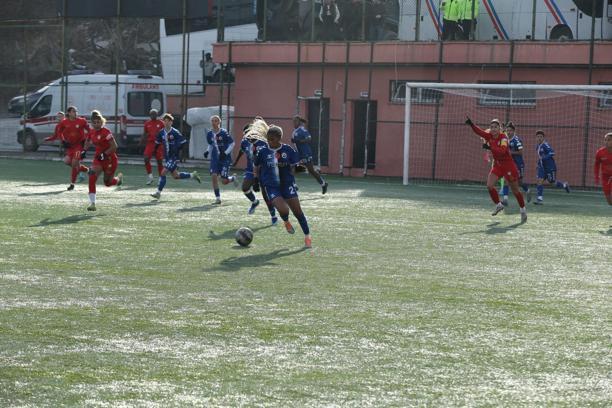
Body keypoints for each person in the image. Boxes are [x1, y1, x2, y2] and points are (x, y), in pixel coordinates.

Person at [252, 120, 313, 248]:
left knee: (298, 212)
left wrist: (298, 169)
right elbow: (256, 166)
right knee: (283, 209)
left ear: (279, 138)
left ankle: (307, 236)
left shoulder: (288, 150)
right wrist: (256, 180)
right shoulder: (262, 151)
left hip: (287, 184)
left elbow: (294, 167)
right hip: (271, 186)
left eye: (272, 139)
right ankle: (286, 221)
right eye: (268, 139)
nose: (269, 141)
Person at [465, 116, 527, 223]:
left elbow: (502, 151)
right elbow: (479, 132)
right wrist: (471, 124)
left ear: (500, 128)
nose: (493, 129)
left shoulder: (503, 138)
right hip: (498, 165)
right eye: (492, 127)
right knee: (489, 186)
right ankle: (499, 205)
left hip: (508, 166)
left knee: (515, 191)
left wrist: (490, 148)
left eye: (495, 127)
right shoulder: (489, 136)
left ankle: (523, 210)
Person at [150, 113, 201, 199]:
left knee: (163, 172)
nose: (166, 123)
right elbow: (157, 143)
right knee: (176, 176)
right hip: (167, 157)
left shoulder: (175, 132)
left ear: (171, 122)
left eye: (168, 121)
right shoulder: (161, 132)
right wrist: (154, 151)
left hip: (174, 157)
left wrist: (179, 152)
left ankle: (158, 192)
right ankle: (193, 175)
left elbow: (183, 142)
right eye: (164, 121)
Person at [84, 111, 123, 211]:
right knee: (92, 176)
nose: (96, 124)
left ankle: (118, 180)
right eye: (94, 122)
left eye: (98, 122)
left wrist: (104, 154)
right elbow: (87, 141)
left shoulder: (106, 132)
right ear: (92, 123)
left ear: (102, 122)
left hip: (110, 159)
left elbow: (114, 146)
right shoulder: (91, 132)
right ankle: (92, 203)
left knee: (108, 183)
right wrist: (84, 151)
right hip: (98, 159)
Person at [50, 106, 90, 190]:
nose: (76, 113)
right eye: (73, 111)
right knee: (67, 161)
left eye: (76, 111)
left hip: (79, 146)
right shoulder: (64, 122)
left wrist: (86, 141)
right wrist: (63, 141)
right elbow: (59, 132)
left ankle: (72, 184)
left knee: (74, 162)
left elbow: (89, 131)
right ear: (69, 113)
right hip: (70, 146)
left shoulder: (82, 121)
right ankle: (88, 170)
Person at [205, 115, 238, 204]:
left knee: (224, 181)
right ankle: (218, 198)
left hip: (225, 160)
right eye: (212, 121)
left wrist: (225, 153)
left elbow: (232, 143)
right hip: (215, 159)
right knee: (214, 176)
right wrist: (207, 151)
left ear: (219, 122)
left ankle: (232, 178)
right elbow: (211, 144)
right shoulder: (209, 134)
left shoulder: (224, 133)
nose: (214, 122)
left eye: (216, 121)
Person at [291, 115, 328, 194]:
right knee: (291, 167)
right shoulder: (295, 130)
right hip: (298, 153)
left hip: (305, 153)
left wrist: (299, 141)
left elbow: (309, 138)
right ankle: (293, 185)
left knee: (311, 170)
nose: (293, 123)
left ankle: (323, 184)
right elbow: (295, 141)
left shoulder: (302, 129)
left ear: (299, 121)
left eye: (295, 121)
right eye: (293, 121)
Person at [534, 130, 570, 205]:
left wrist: (545, 158)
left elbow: (552, 153)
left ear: (543, 138)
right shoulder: (537, 146)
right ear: (536, 138)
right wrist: (538, 164)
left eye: (541, 137)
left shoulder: (545, 145)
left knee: (552, 183)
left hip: (550, 167)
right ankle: (539, 199)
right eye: (538, 137)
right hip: (542, 167)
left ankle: (564, 185)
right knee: (539, 181)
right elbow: (540, 157)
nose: (539, 138)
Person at [500, 121, 531, 206]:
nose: (509, 132)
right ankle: (505, 200)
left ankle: (527, 190)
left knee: (519, 183)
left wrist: (510, 152)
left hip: (518, 164)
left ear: (514, 131)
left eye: (510, 131)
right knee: (507, 181)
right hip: (510, 165)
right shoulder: (505, 139)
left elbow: (521, 152)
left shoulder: (517, 140)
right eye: (507, 131)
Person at [140, 109, 165, 185]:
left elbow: (165, 133)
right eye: (151, 114)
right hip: (150, 144)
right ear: (150, 115)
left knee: (159, 162)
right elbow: (145, 133)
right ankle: (150, 176)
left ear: (157, 115)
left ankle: (161, 178)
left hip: (159, 144)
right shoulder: (147, 123)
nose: (153, 116)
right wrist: (141, 141)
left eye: (154, 114)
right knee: (146, 159)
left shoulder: (161, 123)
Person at [593, 132, 612, 205]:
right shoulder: (600, 152)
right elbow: (596, 165)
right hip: (605, 177)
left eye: (609, 140)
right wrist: (596, 176)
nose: (606, 142)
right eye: (605, 140)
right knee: (610, 202)